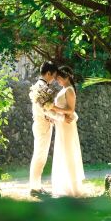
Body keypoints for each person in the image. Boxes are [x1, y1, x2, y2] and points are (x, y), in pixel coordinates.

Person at [49, 65, 85, 197]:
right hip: (61, 125)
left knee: (69, 154)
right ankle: (66, 186)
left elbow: (71, 110)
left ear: (66, 76)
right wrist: (53, 114)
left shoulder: (69, 90)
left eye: (59, 77)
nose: (57, 79)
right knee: (63, 153)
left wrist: (54, 108)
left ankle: (75, 189)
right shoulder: (63, 89)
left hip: (67, 126)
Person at [28, 60, 59, 197]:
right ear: (48, 73)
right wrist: (57, 117)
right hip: (42, 124)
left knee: (40, 155)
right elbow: (45, 109)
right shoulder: (42, 88)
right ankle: (34, 187)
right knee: (40, 156)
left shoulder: (38, 86)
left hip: (42, 123)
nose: (54, 79)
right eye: (53, 76)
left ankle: (36, 185)